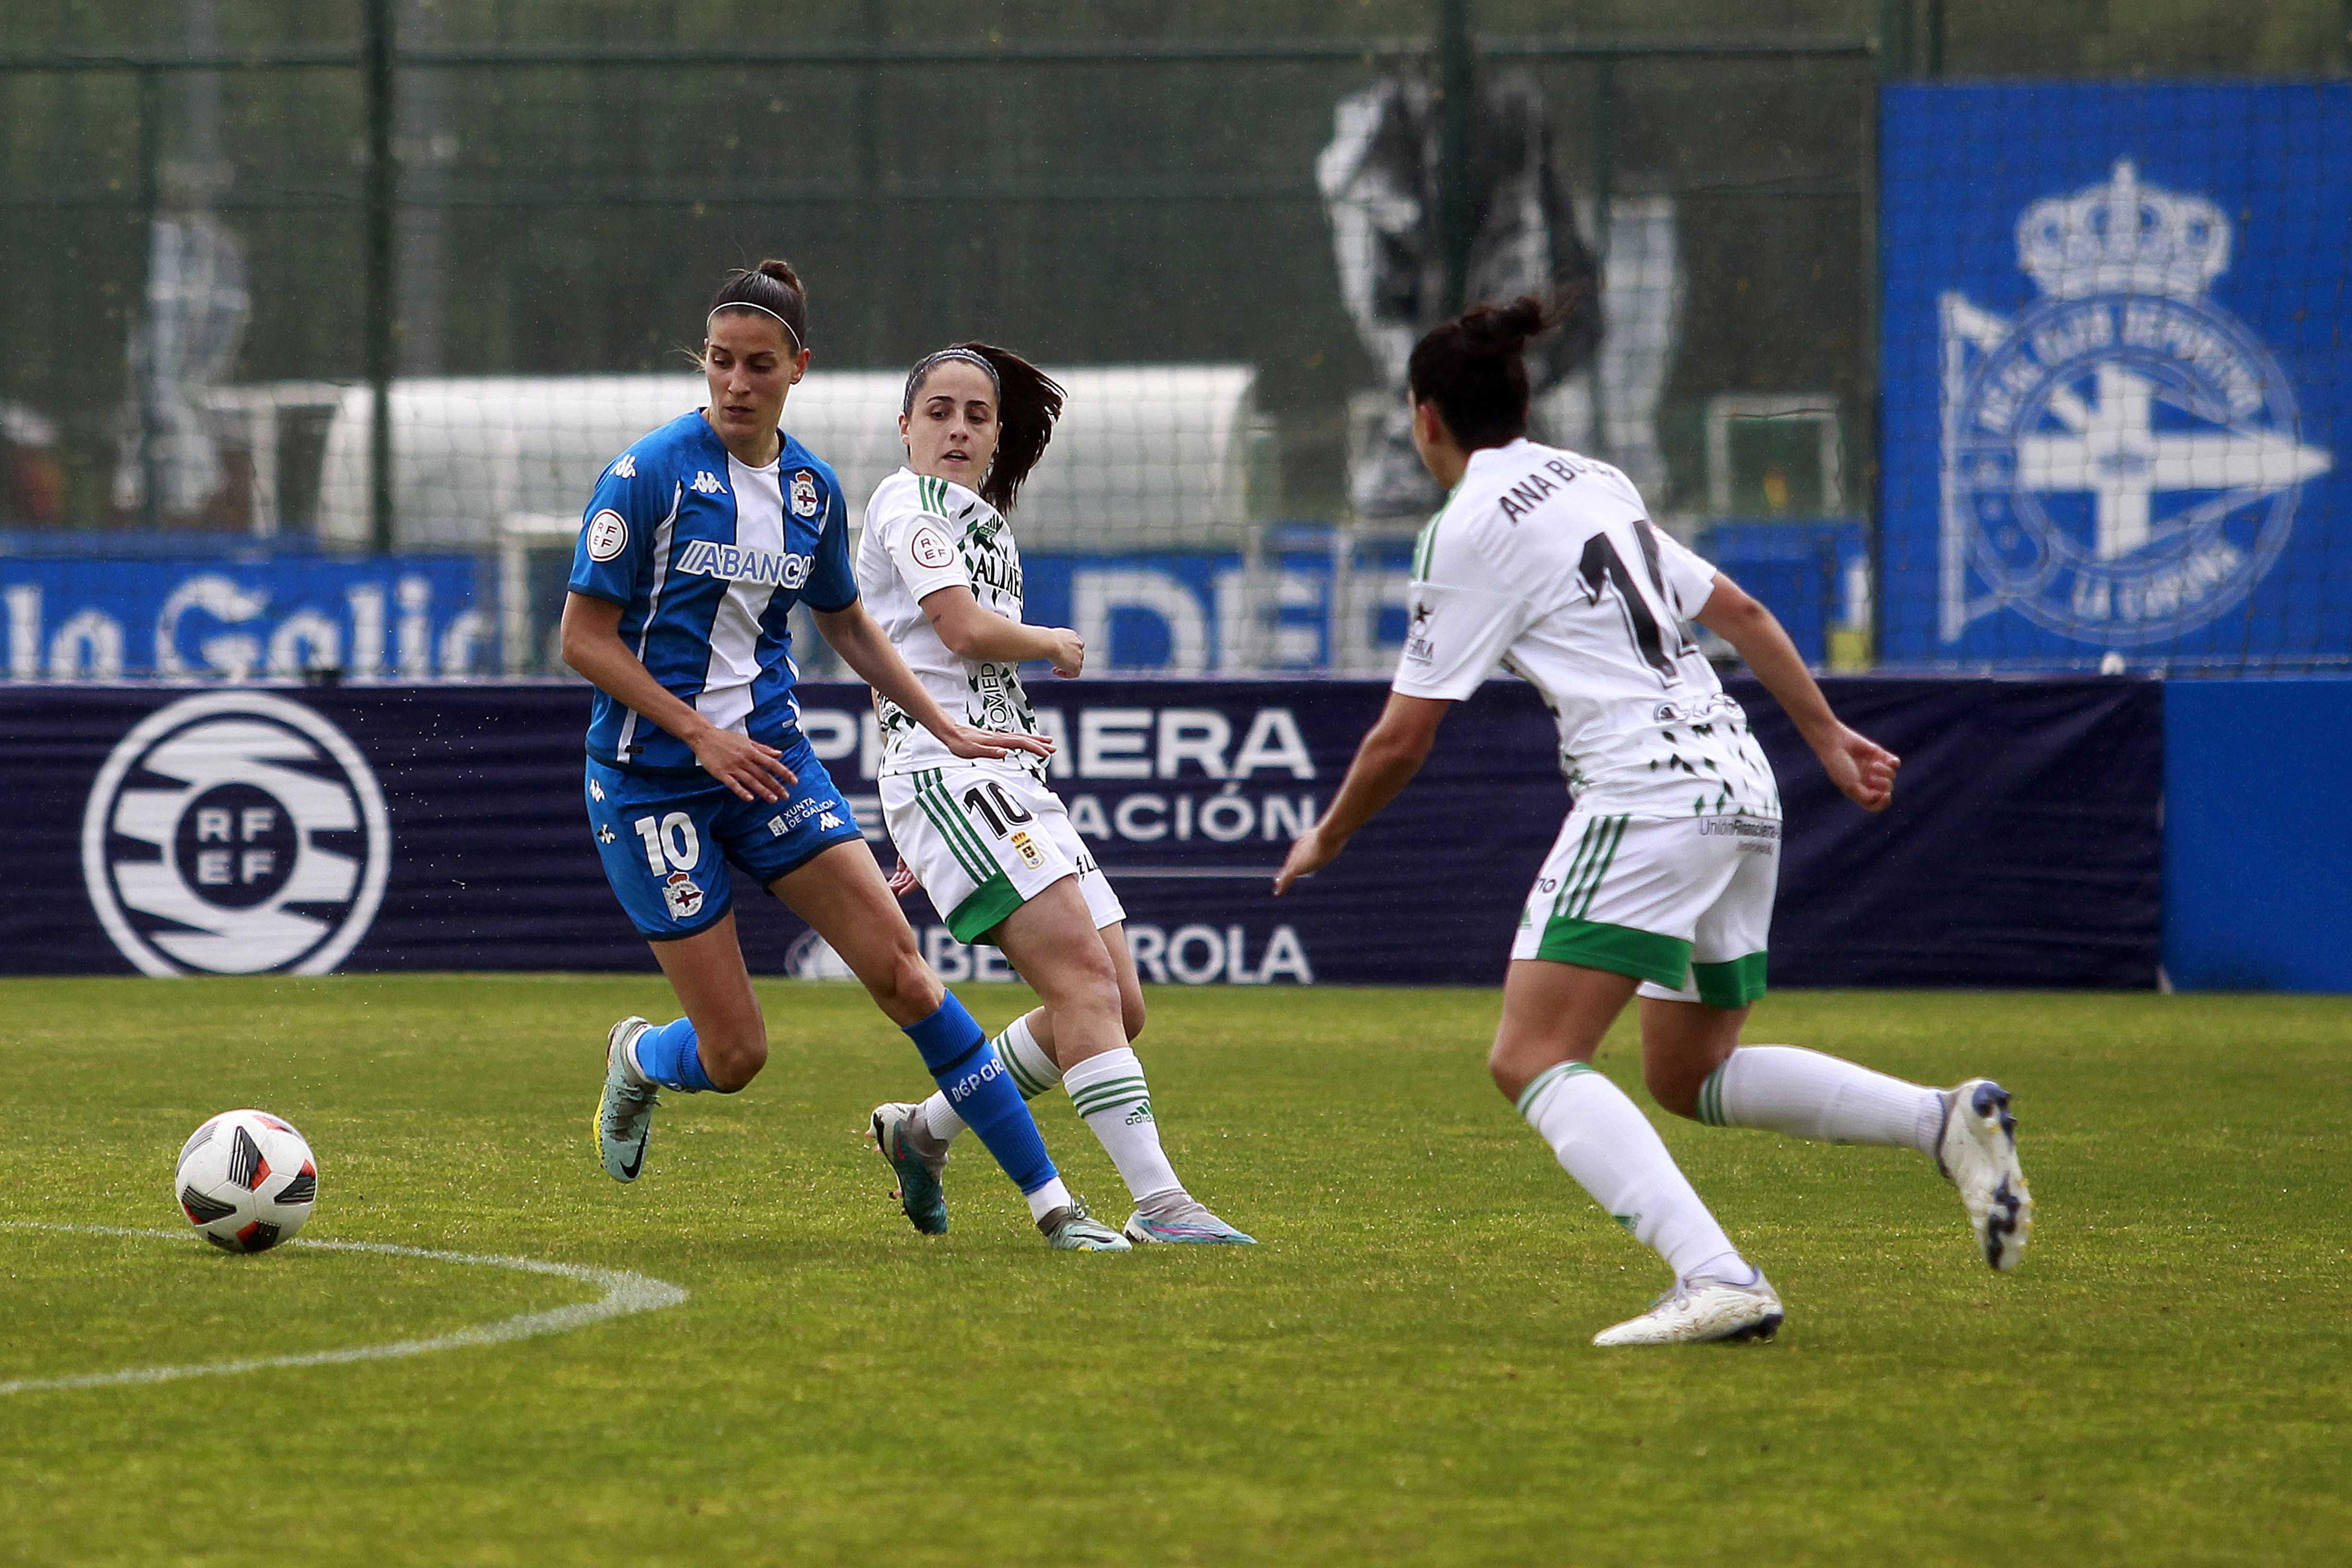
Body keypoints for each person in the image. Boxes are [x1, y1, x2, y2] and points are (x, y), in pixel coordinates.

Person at [1274, 295, 2032, 1345]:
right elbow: (1744, 614)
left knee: (1530, 1055)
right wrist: (1824, 737)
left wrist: (1333, 835)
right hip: (1741, 779)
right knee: (1690, 1073)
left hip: (1647, 792)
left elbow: (1403, 739)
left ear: (1424, 420)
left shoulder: (1467, 529)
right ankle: (1942, 1122)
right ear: (1520, 400)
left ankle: (1718, 1277)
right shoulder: (1595, 479)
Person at [562, 262, 1128, 1251]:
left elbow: (854, 631)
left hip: (772, 767)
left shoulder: (812, 493)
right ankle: (645, 1058)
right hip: (651, 780)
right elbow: (583, 639)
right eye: (722, 364)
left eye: (759, 365)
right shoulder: (647, 474)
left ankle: (1054, 1209)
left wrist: (946, 728)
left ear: (798, 371)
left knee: (907, 977)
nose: (736, 383)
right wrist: (697, 733)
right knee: (737, 1054)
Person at [856, 342, 1253, 1246]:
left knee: (1117, 1002)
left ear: (997, 437)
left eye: (978, 416)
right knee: (1081, 984)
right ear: (906, 427)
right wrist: (1050, 642)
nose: (958, 429)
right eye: (940, 412)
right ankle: (1163, 1205)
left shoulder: (981, 521)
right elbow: (957, 632)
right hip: (949, 776)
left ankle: (924, 1131)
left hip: (1006, 779)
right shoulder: (904, 502)